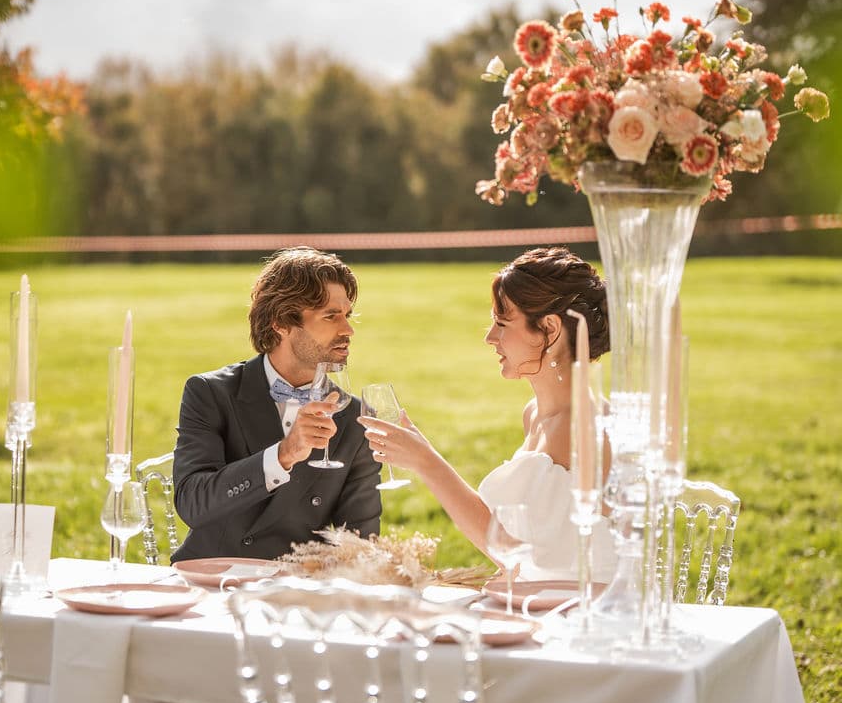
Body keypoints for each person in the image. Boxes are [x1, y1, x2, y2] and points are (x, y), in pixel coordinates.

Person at [360, 245, 615, 582]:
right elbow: (517, 549)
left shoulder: (582, 428)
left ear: (550, 329)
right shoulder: (535, 414)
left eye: (502, 323)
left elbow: (527, 559)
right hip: (533, 606)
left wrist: (427, 462)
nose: (489, 337)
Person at [171, 246, 381, 562]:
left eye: (347, 315)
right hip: (212, 579)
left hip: (296, 594)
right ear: (280, 323)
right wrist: (283, 455)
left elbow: (361, 545)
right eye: (331, 316)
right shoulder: (211, 393)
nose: (348, 329)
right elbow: (192, 504)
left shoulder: (355, 418)